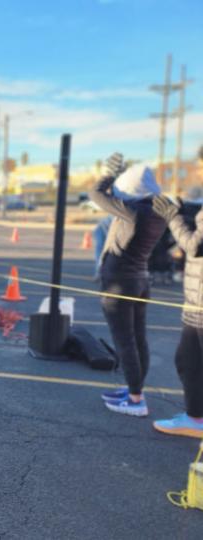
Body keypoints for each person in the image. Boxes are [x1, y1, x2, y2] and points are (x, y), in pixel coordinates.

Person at [89, 154, 167, 417]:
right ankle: (136, 390)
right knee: (138, 338)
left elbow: (96, 194)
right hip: (140, 280)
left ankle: (135, 400)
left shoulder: (132, 212)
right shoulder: (157, 211)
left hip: (120, 283)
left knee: (125, 341)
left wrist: (108, 174)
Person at [151, 145, 203, 437]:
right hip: (195, 301)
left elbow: (195, 245)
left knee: (192, 362)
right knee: (188, 360)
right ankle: (195, 418)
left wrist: (173, 217)